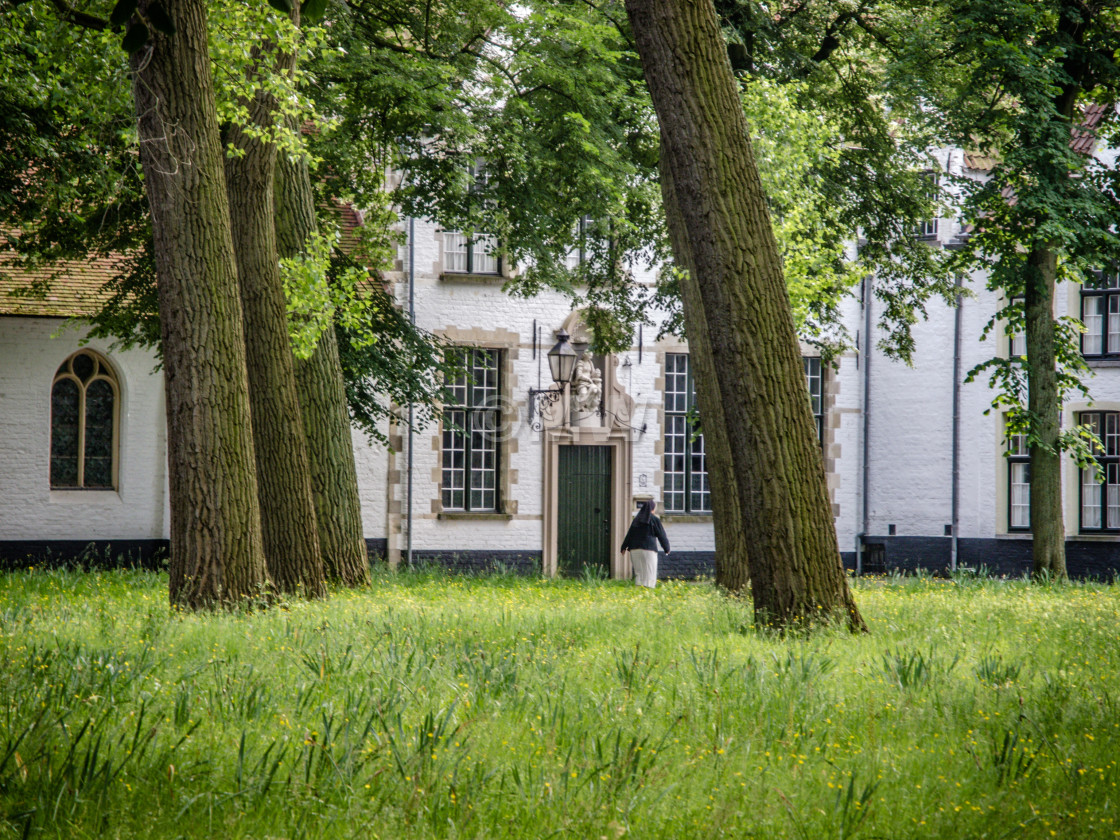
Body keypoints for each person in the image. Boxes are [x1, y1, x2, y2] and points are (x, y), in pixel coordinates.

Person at [620, 499, 670, 588]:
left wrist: (623, 547)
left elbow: (630, 534)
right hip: (649, 549)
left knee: (639, 573)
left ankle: (639, 590)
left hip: (634, 549)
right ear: (652, 509)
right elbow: (661, 535)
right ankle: (648, 592)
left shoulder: (636, 520)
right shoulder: (654, 519)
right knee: (650, 573)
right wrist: (667, 548)